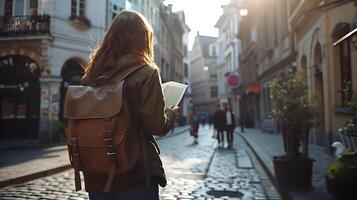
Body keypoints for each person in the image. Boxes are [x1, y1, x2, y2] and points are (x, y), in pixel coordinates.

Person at [80, 10, 179, 200]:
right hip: (135, 173)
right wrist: (171, 113)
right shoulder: (147, 73)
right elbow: (157, 126)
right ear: (143, 39)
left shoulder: (91, 75)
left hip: (97, 173)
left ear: (111, 36)